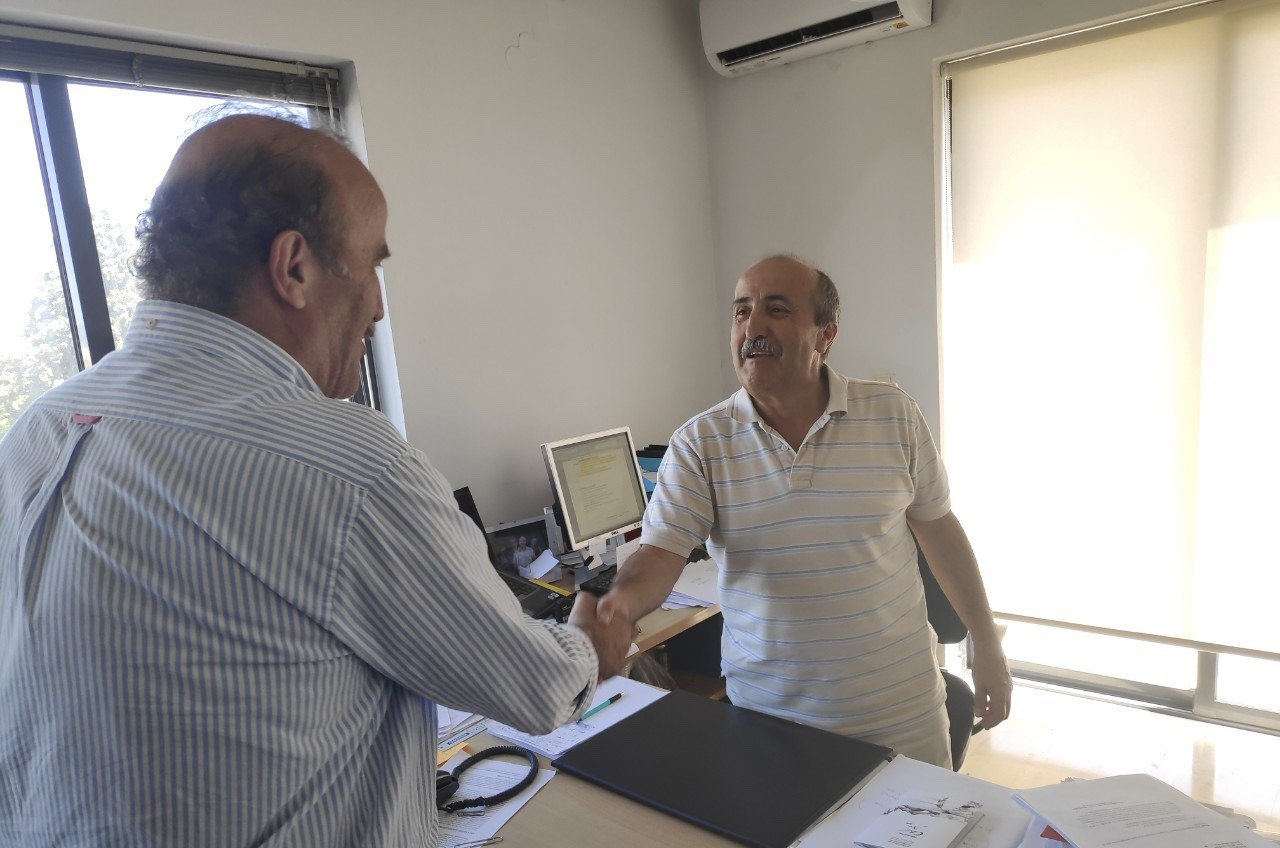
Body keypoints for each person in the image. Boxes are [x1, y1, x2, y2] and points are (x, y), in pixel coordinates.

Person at [0, 114, 610, 846]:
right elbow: (539, 690)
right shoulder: (346, 466)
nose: (379, 306)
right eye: (372, 265)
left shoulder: (37, 432)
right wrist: (590, 643)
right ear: (293, 268)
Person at [595, 254, 1012, 768]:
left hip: (902, 713)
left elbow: (940, 531)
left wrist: (987, 645)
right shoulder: (700, 443)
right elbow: (660, 553)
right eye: (742, 311)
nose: (753, 328)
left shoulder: (893, 414)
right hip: (770, 723)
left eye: (776, 309)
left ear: (824, 334)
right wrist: (617, 610)